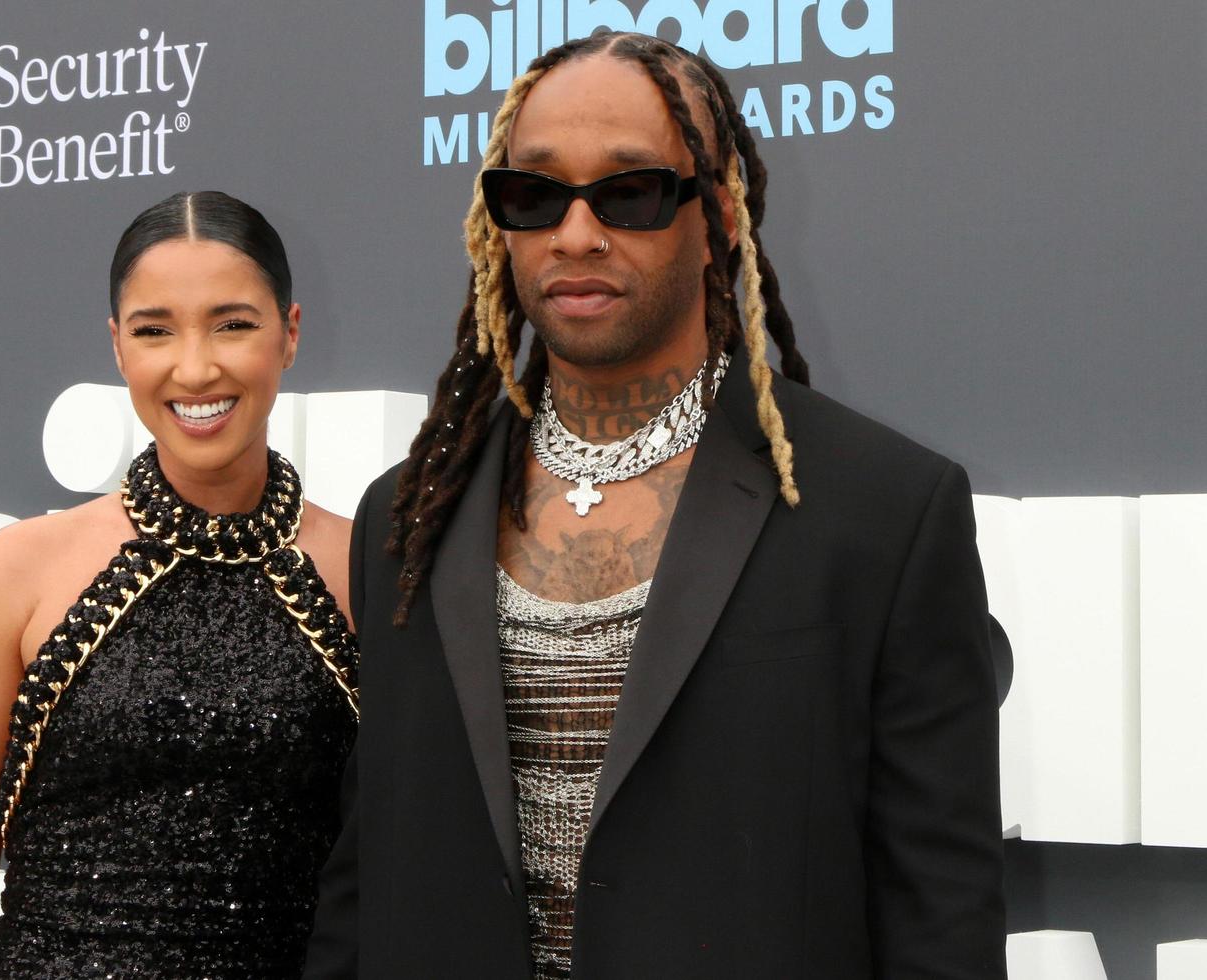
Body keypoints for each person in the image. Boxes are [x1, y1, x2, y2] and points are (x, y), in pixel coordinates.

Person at [306, 32, 1004, 979]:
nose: (576, 234)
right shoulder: (408, 519)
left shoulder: (880, 511)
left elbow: (941, 916)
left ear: (717, 217)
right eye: (536, 194)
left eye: (629, 194)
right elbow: (368, 882)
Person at [0, 191, 358, 978]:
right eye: (154, 330)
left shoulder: (362, 571)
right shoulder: (19, 569)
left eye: (233, 324)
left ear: (290, 334)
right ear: (117, 348)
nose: (195, 367)